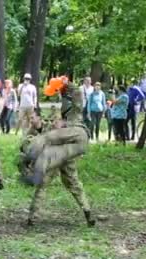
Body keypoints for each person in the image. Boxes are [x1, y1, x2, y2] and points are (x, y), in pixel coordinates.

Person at [25, 84, 95, 227]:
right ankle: (32, 217)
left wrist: (68, 85)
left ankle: (88, 213)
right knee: (46, 185)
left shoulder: (75, 113)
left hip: (65, 155)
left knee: (73, 185)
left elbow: (78, 98)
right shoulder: (57, 119)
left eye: (64, 96)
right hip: (57, 155)